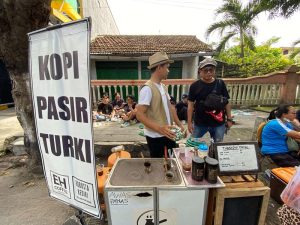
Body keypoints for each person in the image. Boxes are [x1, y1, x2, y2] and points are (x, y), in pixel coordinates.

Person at [136, 52, 185, 158]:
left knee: (172, 159)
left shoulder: (163, 86)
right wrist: (159, 129)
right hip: (155, 136)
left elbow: (171, 108)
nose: (168, 70)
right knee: (158, 164)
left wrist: (180, 125)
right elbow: (140, 115)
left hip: (168, 132)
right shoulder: (147, 89)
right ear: (159, 67)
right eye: (167, 67)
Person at [187, 58, 233, 142]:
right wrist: (189, 123)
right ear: (200, 71)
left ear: (214, 71)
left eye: (211, 70)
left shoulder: (220, 84)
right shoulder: (194, 86)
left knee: (217, 148)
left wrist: (229, 119)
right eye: (205, 70)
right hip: (200, 123)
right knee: (192, 145)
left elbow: (227, 103)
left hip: (218, 123)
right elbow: (190, 105)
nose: (209, 72)